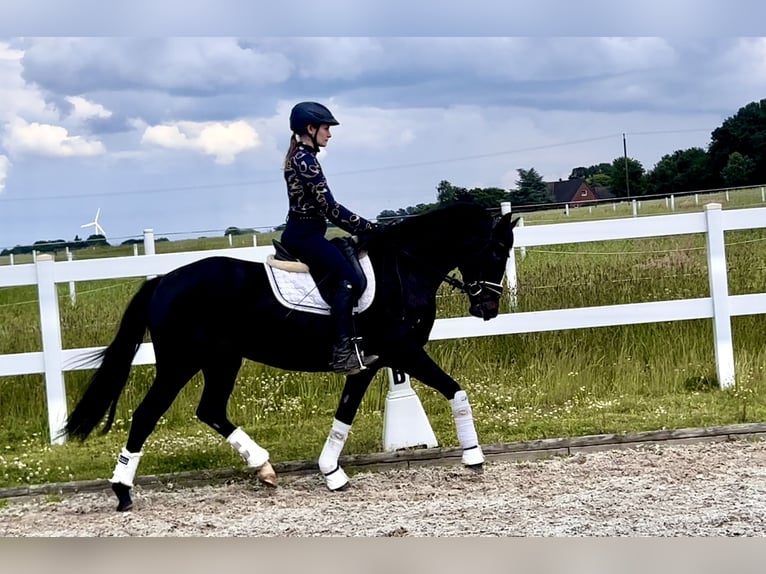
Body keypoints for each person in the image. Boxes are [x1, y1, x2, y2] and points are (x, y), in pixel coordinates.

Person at [280, 101, 380, 375]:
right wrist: (367, 227)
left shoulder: (302, 157)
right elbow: (330, 208)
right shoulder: (305, 161)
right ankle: (342, 355)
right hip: (305, 235)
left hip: (307, 232)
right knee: (347, 281)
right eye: (326, 128)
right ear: (310, 129)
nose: (330, 134)